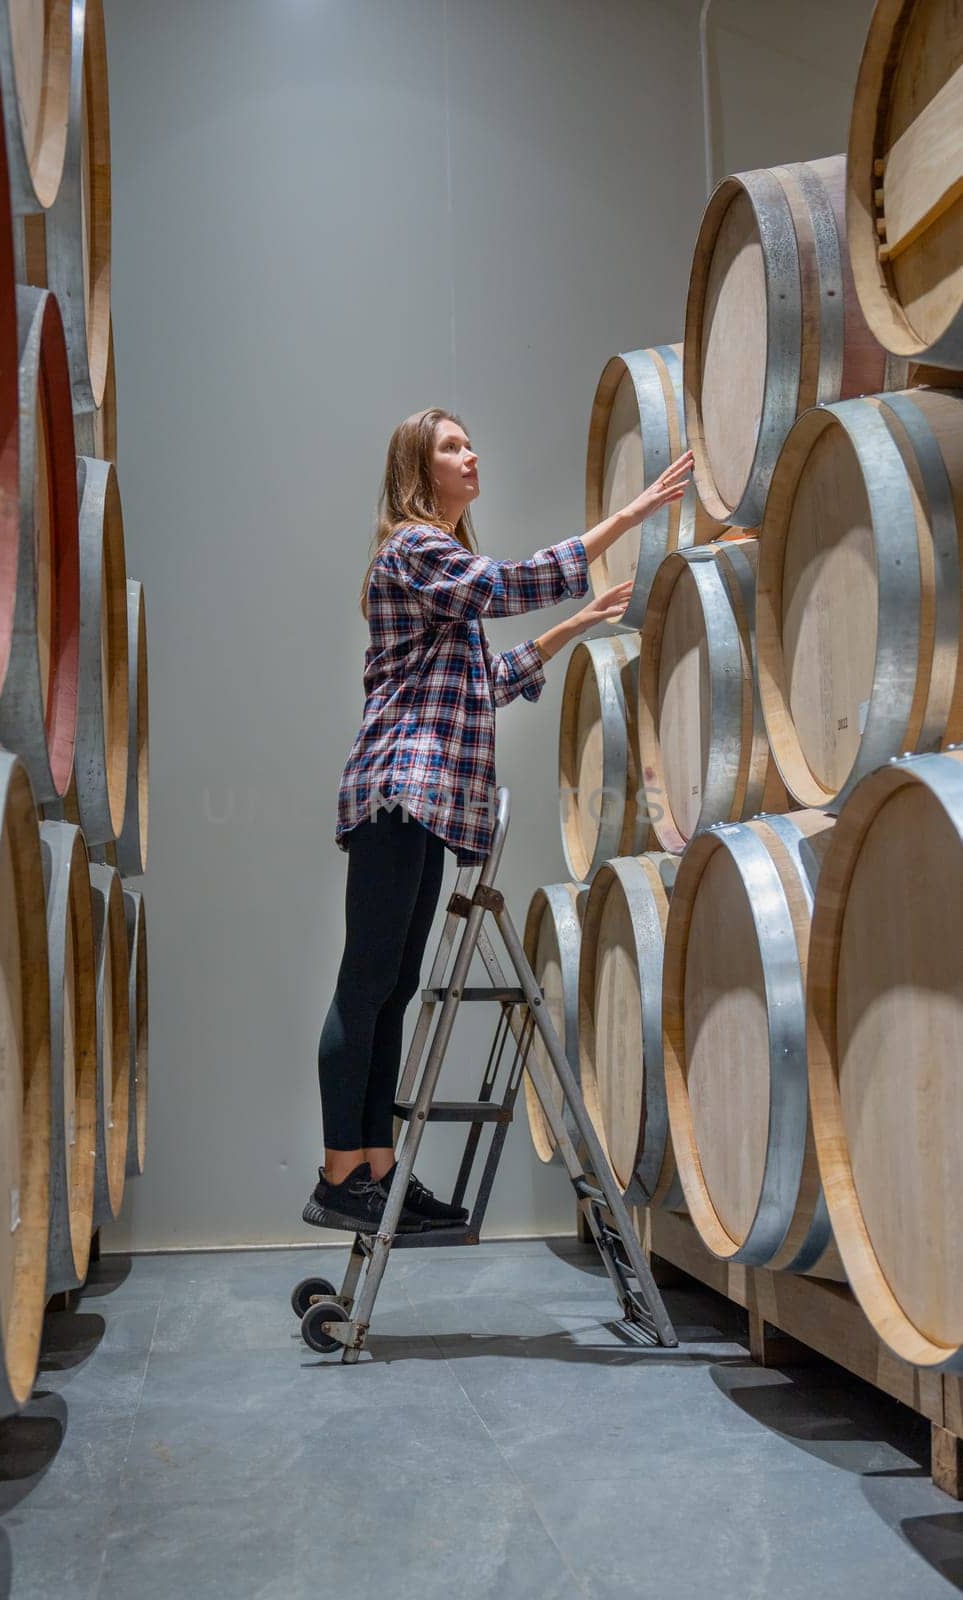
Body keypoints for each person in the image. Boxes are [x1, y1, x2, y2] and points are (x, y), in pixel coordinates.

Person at [304, 407, 693, 1234]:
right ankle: (341, 1173)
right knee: (367, 982)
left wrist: (576, 626)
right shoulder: (413, 548)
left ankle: (376, 1169)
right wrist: (627, 516)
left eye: (469, 441)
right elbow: (502, 584)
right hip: (396, 790)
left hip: (432, 802)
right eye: (452, 445)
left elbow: (482, 680)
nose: (470, 452)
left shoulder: (439, 567)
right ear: (418, 467)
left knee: (396, 987)